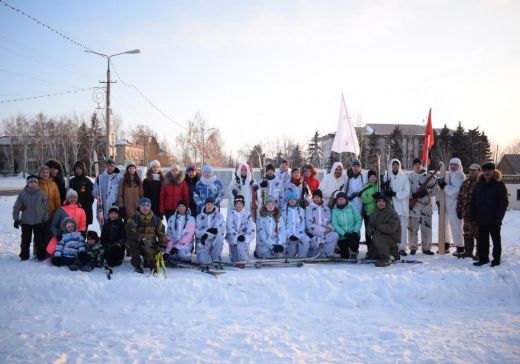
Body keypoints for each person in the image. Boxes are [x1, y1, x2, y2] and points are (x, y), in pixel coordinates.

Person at [472, 163, 508, 267]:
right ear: (482, 171)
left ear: (494, 171)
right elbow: (474, 202)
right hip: (481, 218)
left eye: (489, 170)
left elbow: (503, 203)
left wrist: (499, 218)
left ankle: (496, 260)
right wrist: (474, 216)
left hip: (494, 219)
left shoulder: (499, 185)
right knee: (482, 241)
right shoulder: (479, 185)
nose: (487, 173)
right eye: (485, 170)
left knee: (496, 241)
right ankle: (483, 259)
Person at [12, 175, 49, 261]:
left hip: (38, 221)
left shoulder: (41, 194)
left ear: (37, 183)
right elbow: (16, 207)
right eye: (31, 182)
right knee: (25, 240)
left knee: (39, 240)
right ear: (27, 184)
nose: (33, 184)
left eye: (35, 182)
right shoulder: (23, 194)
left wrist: (45, 218)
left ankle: (41, 256)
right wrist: (16, 219)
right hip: (26, 221)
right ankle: (24, 255)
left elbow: (45, 208)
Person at [126, 197, 167, 274]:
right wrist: (142, 238)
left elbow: (161, 233)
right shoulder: (134, 218)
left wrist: (162, 245)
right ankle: (136, 264)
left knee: (150, 263)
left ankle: (148, 259)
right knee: (133, 244)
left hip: (150, 244)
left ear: (150, 207)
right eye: (143, 206)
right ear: (140, 207)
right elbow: (130, 232)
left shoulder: (156, 219)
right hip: (138, 242)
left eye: (147, 206)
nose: (145, 208)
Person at [408, 158, 436, 255]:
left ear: (421, 165)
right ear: (413, 166)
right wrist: (413, 195)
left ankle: (426, 248)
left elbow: (435, 190)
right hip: (414, 207)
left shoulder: (429, 177)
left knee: (427, 229)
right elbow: (406, 190)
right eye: (415, 164)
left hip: (426, 207)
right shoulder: (409, 177)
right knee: (413, 229)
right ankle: (413, 247)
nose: (417, 166)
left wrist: (426, 192)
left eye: (419, 164)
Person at [438, 157, 465, 255]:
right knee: (445, 225)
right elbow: (441, 187)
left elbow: (455, 192)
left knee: (456, 226)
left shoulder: (460, 176)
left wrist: (444, 186)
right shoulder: (448, 174)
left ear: (459, 166)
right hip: (446, 204)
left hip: (455, 205)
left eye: (455, 165)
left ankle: (460, 247)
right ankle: (445, 245)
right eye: (451, 164)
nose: (453, 166)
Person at [384, 159, 410, 256]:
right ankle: (392, 247)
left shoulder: (404, 177)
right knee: (391, 228)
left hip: (401, 207)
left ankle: (402, 247)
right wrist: (385, 188)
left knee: (402, 228)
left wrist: (395, 194)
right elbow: (384, 191)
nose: (395, 166)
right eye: (393, 165)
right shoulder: (387, 177)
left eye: (397, 165)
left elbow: (407, 192)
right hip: (390, 207)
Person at [366, 195, 401, 267]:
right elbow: (370, 224)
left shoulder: (392, 212)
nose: (381, 203)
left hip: (392, 237)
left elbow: (392, 227)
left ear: (387, 203)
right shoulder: (374, 212)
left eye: (383, 201)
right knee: (372, 255)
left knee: (377, 237)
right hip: (380, 236)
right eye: (379, 201)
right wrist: (369, 229)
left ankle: (386, 259)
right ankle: (393, 252)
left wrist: (378, 227)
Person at [456, 163, 481, 259]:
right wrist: (459, 209)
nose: (472, 172)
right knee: (467, 232)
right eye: (470, 170)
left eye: (474, 170)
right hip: (466, 213)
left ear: (479, 171)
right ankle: (468, 252)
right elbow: (460, 197)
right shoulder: (465, 182)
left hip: (477, 214)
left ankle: (479, 253)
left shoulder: (481, 183)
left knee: (478, 234)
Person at [305, 189, 339, 257]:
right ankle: (315, 255)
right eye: (315, 197)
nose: (316, 199)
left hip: (325, 233)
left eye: (318, 197)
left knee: (334, 235)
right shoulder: (309, 209)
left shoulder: (326, 208)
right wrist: (323, 230)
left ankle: (327, 255)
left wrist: (330, 228)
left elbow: (329, 221)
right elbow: (309, 226)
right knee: (315, 244)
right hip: (314, 234)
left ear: (321, 197)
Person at [195, 197, 226, 264]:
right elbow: (196, 232)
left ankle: (216, 258)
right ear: (205, 205)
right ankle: (206, 257)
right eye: (208, 204)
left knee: (219, 237)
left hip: (214, 241)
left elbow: (219, 230)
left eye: (211, 204)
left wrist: (207, 234)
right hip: (203, 241)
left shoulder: (219, 216)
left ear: (214, 205)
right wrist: (207, 231)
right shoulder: (199, 217)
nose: (209, 206)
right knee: (203, 261)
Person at [331, 192, 362, 259]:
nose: (341, 200)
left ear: (346, 199)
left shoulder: (351, 207)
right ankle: (345, 251)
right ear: (337, 200)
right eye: (339, 199)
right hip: (342, 236)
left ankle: (354, 251)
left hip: (353, 233)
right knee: (344, 256)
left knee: (353, 244)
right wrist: (344, 233)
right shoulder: (334, 210)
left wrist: (355, 231)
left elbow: (358, 220)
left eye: (342, 199)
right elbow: (335, 224)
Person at [225, 195, 256, 262]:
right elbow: (229, 227)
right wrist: (237, 237)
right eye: (237, 203)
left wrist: (246, 237)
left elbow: (251, 228)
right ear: (234, 205)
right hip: (233, 239)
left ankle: (245, 260)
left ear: (243, 204)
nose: (239, 205)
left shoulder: (247, 214)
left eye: (240, 203)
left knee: (242, 254)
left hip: (243, 239)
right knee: (235, 259)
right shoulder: (231, 214)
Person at [283, 192, 310, 258]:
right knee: (290, 255)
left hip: (299, 234)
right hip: (289, 236)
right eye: (290, 199)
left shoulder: (301, 210)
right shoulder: (283, 211)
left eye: (294, 199)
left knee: (306, 240)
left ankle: (302, 258)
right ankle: (290, 257)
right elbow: (282, 226)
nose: (292, 201)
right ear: (288, 200)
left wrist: (298, 235)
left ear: (296, 200)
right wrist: (290, 235)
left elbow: (303, 224)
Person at [69, 161, 94, 226]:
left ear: (83, 170)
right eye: (76, 169)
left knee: (83, 229)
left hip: (84, 210)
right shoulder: (71, 181)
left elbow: (91, 197)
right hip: (73, 210)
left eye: (80, 169)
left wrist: (85, 207)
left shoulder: (87, 181)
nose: (78, 171)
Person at [361, 169, 378, 249]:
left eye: (374, 176)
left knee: (377, 232)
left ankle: (377, 248)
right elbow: (364, 199)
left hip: (378, 213)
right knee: (368, 232)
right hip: (368, 213)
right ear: (368, 178)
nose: (373, 178)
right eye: (371, 177)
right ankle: (369, 248)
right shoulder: (366, 187)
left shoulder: (379, 186)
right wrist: (373, 197)